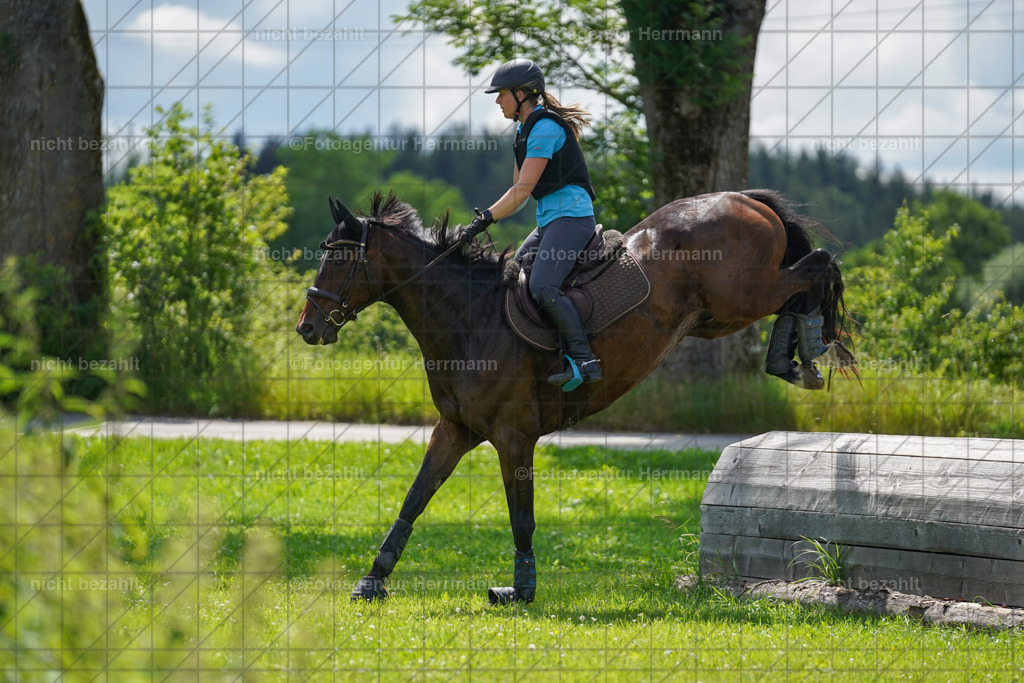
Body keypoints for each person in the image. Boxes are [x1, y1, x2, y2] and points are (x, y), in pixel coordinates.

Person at [465, 58, 601, 390]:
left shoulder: (546, 128)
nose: (497, 100)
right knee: (512, 280)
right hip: (548, 223)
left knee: (541, 286)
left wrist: (484, 219)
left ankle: (585, 361)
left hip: (572, 218)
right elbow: (519, 195)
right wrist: (484, 220)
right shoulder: (524, 132)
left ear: (523, 94)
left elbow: (523, 190)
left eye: (501, 94)